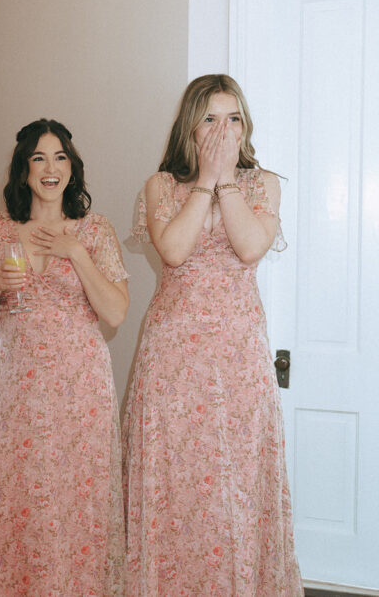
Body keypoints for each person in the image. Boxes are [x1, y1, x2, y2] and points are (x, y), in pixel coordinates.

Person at [124, 74, 301, 594]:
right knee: (178, 478)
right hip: (173, 354)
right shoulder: (161, 185)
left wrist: (226, 180)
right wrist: (204, 179)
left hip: (238, 351)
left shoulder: (262, 183)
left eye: (233, 118)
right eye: (210, 119)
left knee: (237, 479)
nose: (223, 130)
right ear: (189, 126)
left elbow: (249, 248)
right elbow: (175, 252)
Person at [0, 118, 129, 595]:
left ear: (72, 170)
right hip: (15, 387)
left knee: (78, 496)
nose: (50, 168)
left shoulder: (94, 232)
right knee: (17, 496)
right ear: (23, 170)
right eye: (39, 158)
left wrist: (75, 252)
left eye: (59, 158)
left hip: (81, 388)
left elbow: (115, 312)